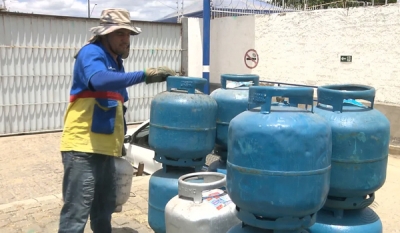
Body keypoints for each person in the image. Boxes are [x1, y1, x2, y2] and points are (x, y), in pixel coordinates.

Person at [58, 8, 175, 233]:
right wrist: (143, 75)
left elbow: (119, 108)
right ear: (105, 34)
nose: (126, 39)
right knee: (76, 213)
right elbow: (99, 81)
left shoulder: (116, 64)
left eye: (128, 34)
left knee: (103, 210)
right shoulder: (91, 53)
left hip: (106, 151)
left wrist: (120, 143)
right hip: (83, 148)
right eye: (120, 33)